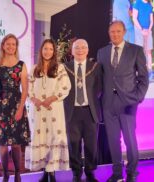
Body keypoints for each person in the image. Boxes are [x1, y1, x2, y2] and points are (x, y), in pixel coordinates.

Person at [97, 20, 149, 182]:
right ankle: (117, 173)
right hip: (108, 104)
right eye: (112, 32)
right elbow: (100, 78)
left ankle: (132, 172)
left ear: (124, 32)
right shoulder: (102, 52)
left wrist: (137, 97)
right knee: (113, 141)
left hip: (128, 103)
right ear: (108, 33)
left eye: (118, 31)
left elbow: (143, 78)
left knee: (130, 139)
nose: (115, 34)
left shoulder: (136, 51)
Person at [25, 39, 71, 182]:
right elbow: (28, 89)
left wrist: (51, 98)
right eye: (45, 48)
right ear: (41, 50)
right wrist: (34, 100)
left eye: (51, 49)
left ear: (54, 51)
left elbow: (65, 87)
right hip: (38, 110)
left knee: (53, 138)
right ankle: (45, 172)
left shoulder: (60, 68)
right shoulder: (34, 69)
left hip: (53, 109)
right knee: (41, 139)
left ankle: (52, 172)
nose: (48, 51)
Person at [0, 34, 31, 182]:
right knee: (3, 144)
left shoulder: (21, 65)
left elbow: (25, 90)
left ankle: (17, 173)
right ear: (3, 46)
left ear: (16, 47)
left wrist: (20, 109)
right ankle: (6, 174)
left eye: (14, 44)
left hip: (16, 105)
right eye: (8, 44)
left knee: (16, 143)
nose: (11, 47)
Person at [63, 39, 102, 182]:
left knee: (91, 143)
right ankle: (76, 172)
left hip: (89, 111)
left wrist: (92, 101)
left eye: (83, 47)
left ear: (88, 49)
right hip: (72, 111)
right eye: (77, 48)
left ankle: (91, 172)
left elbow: (100, 87)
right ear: (72, 51)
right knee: (74, 144)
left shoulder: (95, 66)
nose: (80, 50)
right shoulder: (64, 67)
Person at [132, 0, 153, 73]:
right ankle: (139, 71)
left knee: (148, 51)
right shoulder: (137, 3)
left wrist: (148, 30)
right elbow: (134, 18)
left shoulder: (150, 5)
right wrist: (141, 29)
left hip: (148, 31)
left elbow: (151, 20)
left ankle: (150, 71)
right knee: (140, 51)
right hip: (139, 30)